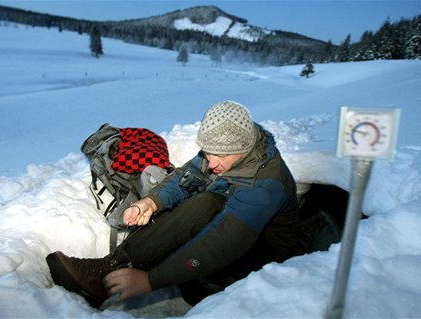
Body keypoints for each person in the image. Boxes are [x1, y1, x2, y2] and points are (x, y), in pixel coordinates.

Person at [46, 100, 305, 309]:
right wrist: (151, 202)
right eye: (208, 153)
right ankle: (111, 266)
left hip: (265, 261)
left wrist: (150, 281)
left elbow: (222, 243)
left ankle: (206, 281)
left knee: (209, 207)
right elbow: (187, 177)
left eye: (220, 156)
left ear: (243, 148)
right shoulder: (230, 143)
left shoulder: (265, 185)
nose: (212, 162)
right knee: (205, 201)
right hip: (235, 230)